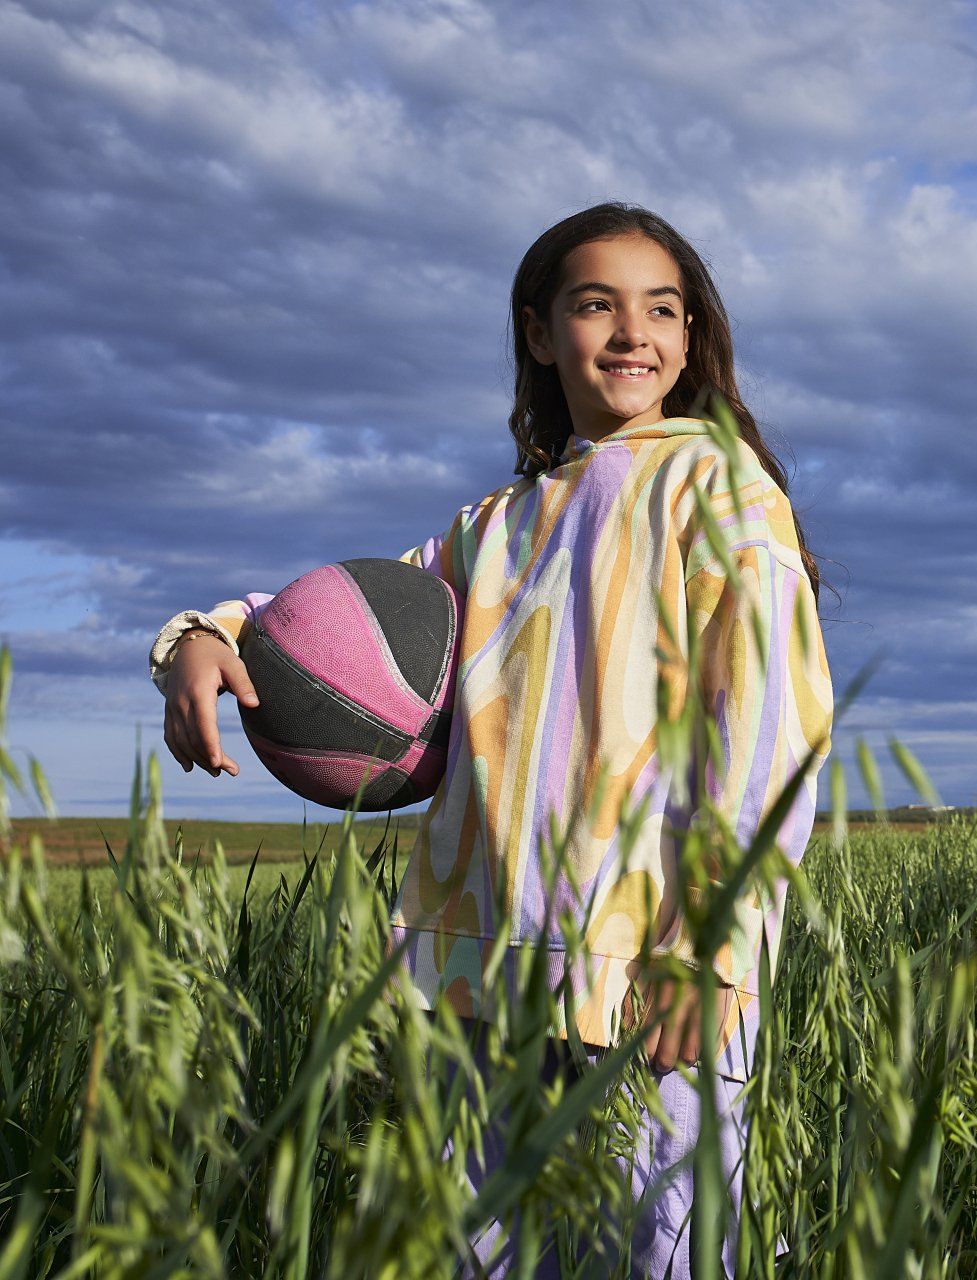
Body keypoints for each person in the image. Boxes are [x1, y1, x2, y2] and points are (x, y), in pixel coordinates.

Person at [147, 202, 835, 1276]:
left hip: (647, 973)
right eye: (596, 305)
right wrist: (207, 636)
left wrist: (713, 943)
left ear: (690, 335)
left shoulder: (719, 486)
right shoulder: (493, 526)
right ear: (538, 333)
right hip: (474, 966)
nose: (632, 332)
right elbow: (341, 616)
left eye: (662, 309)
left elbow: (765, 729)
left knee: (668, 1250)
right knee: (486, 1254)